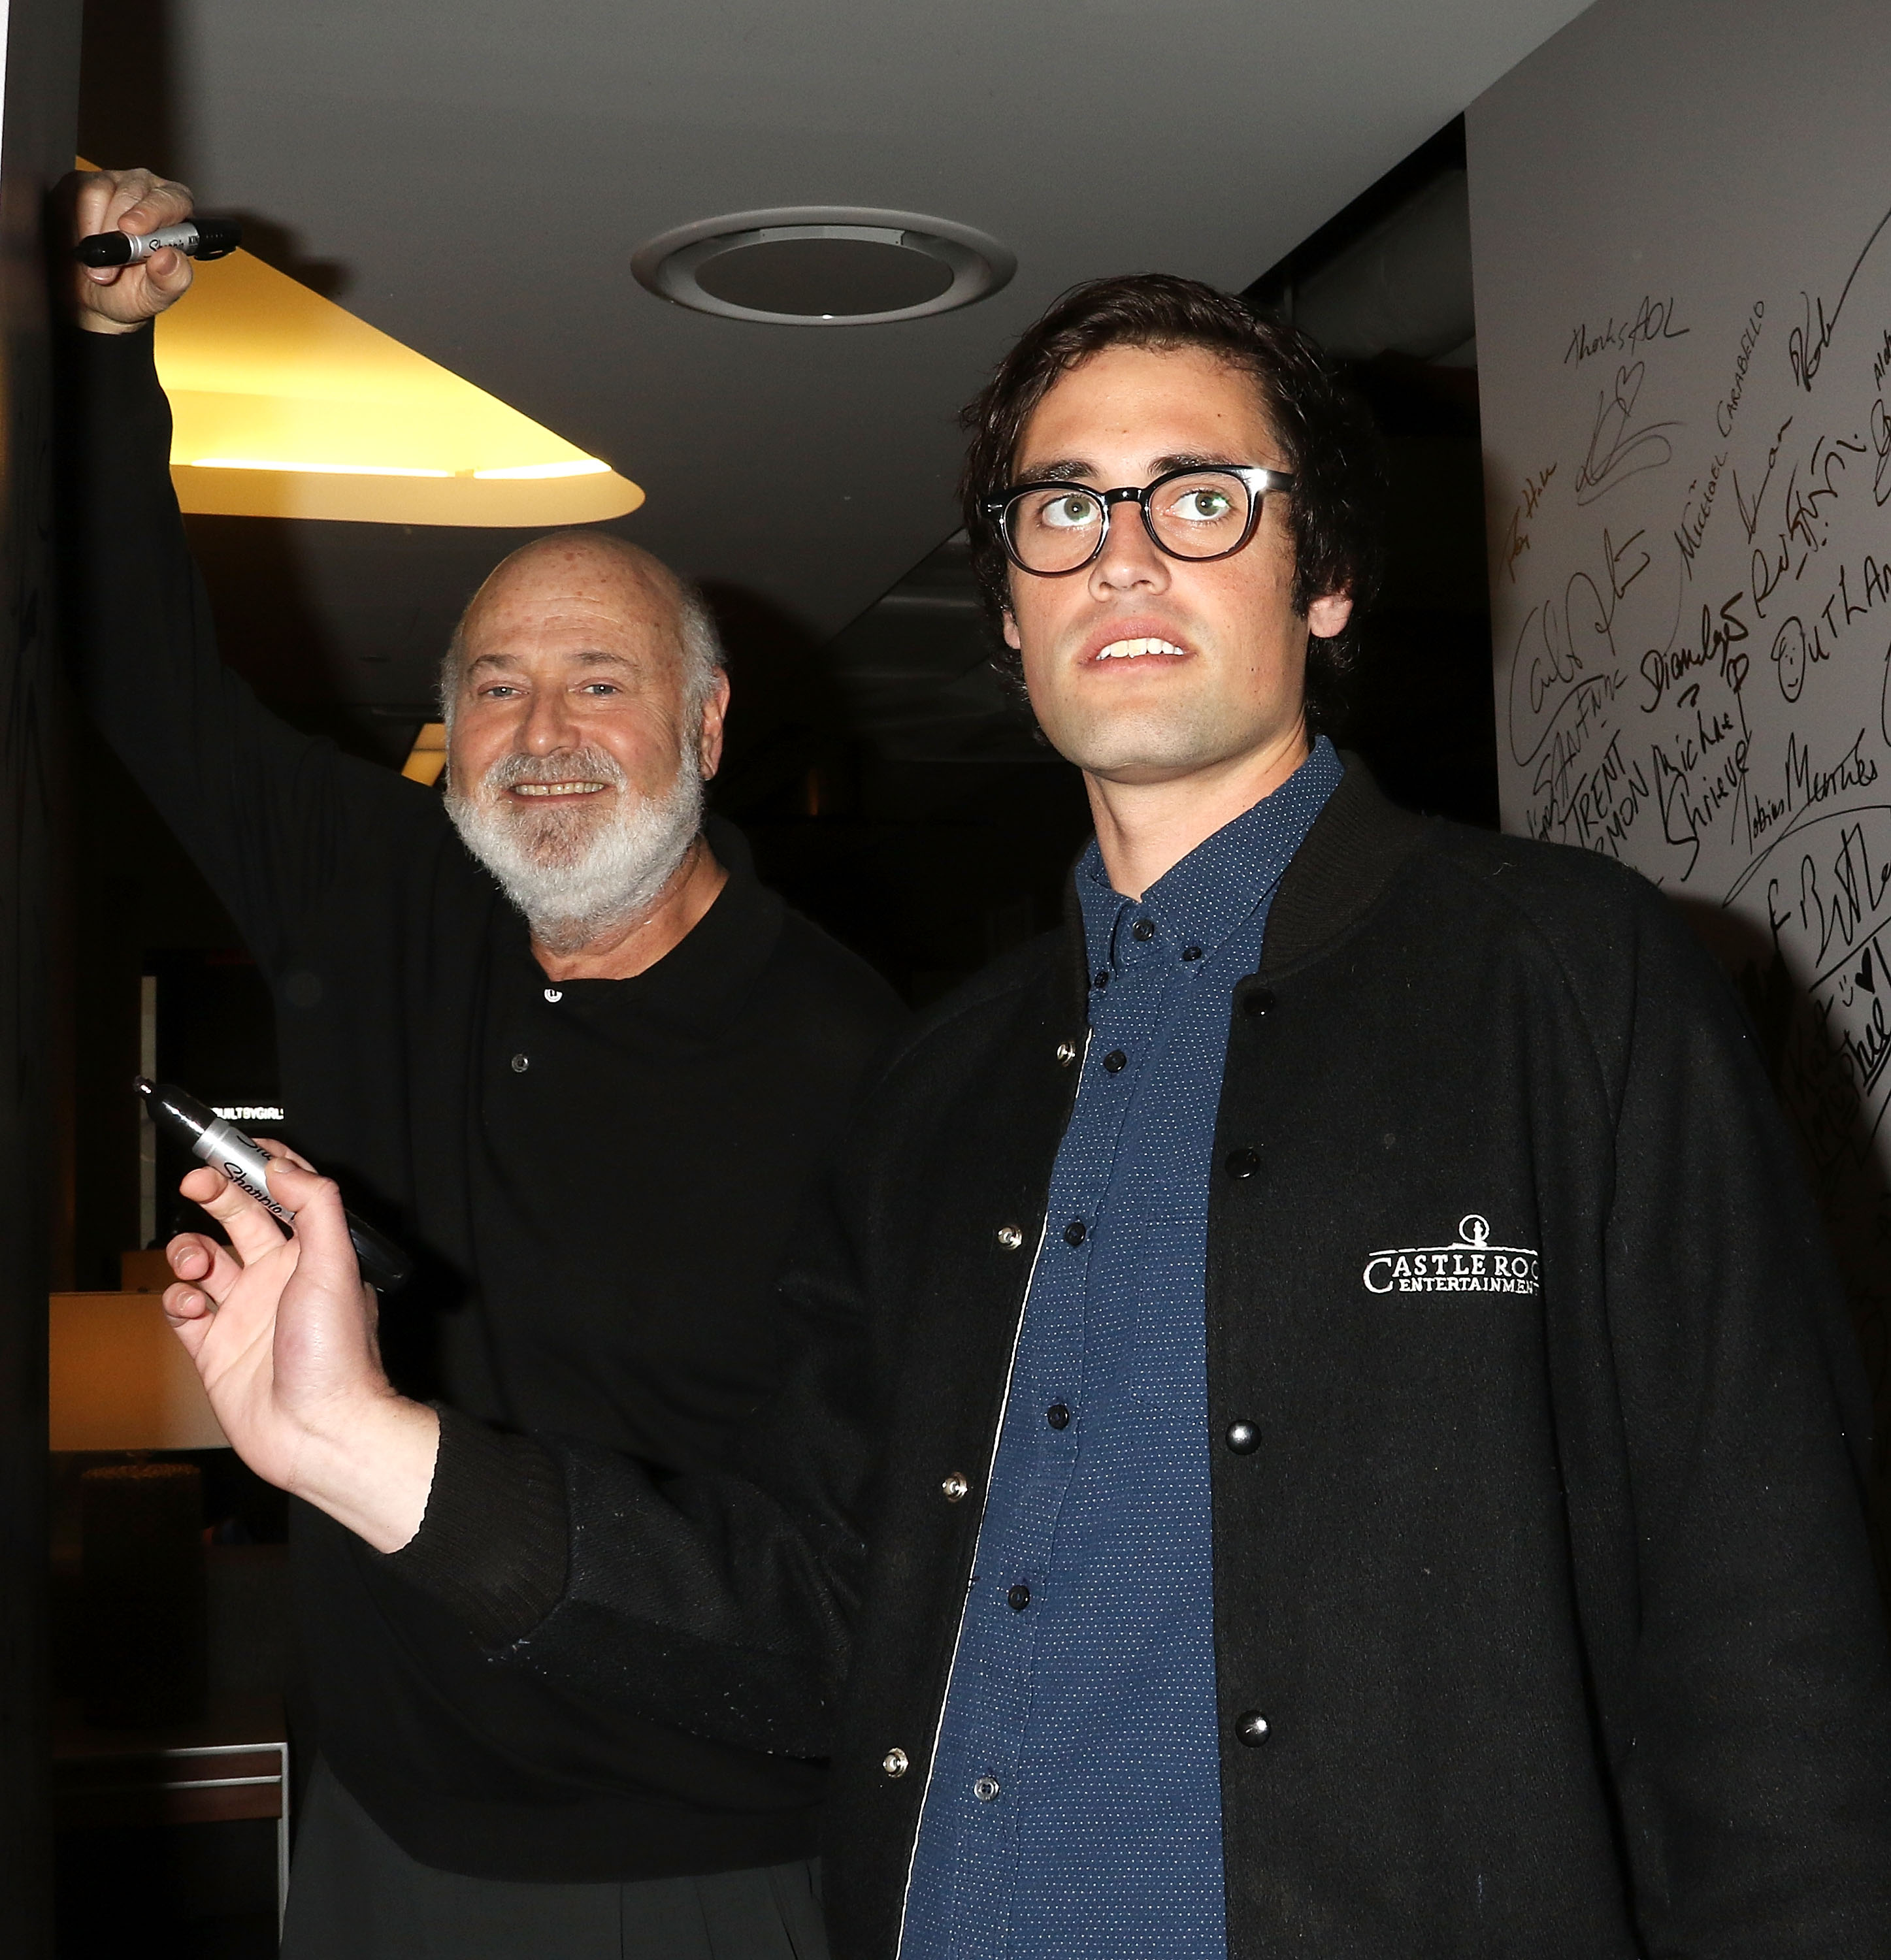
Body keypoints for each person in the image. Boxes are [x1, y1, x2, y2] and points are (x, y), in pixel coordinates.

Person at [155, 274, 1891, 1959]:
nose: (1120, 550)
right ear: (1006, 608)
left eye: (1200, 498)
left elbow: (1775, 1632)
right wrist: (353, 1444)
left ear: (1330, 575)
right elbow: (826, 1625)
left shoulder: (1567, 977)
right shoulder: (941, 1089)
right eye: (1061, 507)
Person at [62, 166, 908, 1960]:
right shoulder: (391, 898)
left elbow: (853, 1578)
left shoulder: (860, 1065)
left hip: (696, 1863)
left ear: (705, 723)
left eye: (601, 681)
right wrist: (95, 356)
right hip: (372, 1822)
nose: (543, 732)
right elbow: (143, 673)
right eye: (498, 687)